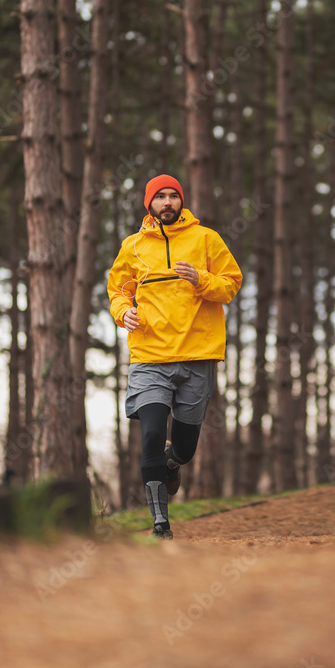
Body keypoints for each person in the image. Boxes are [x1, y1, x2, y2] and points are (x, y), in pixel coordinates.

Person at [108, 174, 242, 538]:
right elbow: (118, 290)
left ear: (181, 201)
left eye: (173, 196)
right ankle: (160, 525)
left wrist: (201, 279)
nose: (167, 202)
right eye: (160, 197)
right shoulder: (133, 246)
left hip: (198, 355)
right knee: (151, 433)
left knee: (183, 446)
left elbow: (231, 283)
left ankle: (173, 461)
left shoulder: (206, 239)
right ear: (149, 204)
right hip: (150, 355)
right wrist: (123, 312)